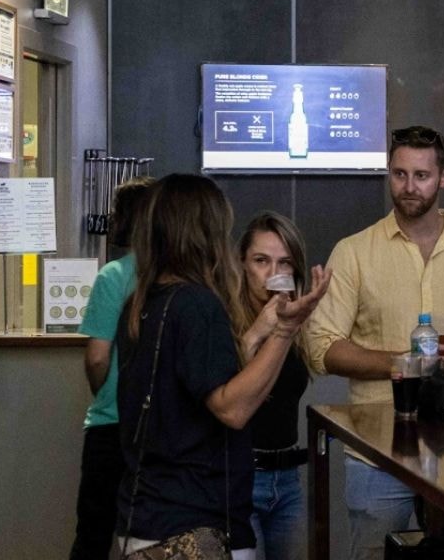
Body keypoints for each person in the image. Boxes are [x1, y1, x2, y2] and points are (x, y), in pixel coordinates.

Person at [305, 125, 444, 560]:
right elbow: (322, 347)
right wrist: (399, 363)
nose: (409, 187)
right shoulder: (355, 252)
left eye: (421, 175)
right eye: (399, 174)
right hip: (377, 455)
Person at [114, 174, 329, 559]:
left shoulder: (142, 303)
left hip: (145, 516)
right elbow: (232, 408)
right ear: (205, 234)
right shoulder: (199, 305)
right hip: (187, 524)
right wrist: (284, 330)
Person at [69, 176, 155, 560]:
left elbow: (97, 356)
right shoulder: (180, 276)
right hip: (158, 428)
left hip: (111, 424)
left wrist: (102, 391)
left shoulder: (113, 276)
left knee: (94, 533)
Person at [234, 211, 315, 560]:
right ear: (242, 265)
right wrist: (258, 332)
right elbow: (223, 392)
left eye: (284, 263)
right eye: (261, 261)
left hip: (288, 479)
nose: (272, 274)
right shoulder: (223, 316)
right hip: (240, 478)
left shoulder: (297, 324)